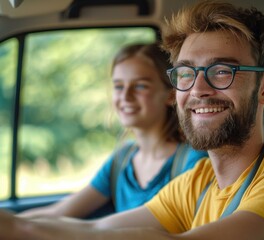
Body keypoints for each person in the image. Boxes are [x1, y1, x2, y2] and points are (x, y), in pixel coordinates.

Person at [0, 1, 264, 239]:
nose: (198, 89)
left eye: (222, 71)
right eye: (186, 73)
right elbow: (100, 231)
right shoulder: (198, 181)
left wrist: (23, 230)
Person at [19, 43, 208, 218]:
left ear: (170, 95)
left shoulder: (192, 161)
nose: (125, 96)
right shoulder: (122, 159)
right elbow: (60, 211)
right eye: (118, 86)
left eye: (140, 86)